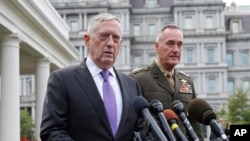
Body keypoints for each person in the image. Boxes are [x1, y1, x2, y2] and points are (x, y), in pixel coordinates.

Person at [40, 13, 142, 141]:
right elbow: (52, 131)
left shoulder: (132, 85)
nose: (110, 43)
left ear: (120, 44)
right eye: (104, 36)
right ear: (87, 40)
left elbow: (140, 131)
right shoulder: (62, 80)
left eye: (116, 38)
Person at [129, 24, 204, 141]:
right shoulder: (138, 79)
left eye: (179, 45)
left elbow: (194, 124)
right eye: (170, 44)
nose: (176, 49)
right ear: (157, 46)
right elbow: (131, 123)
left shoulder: (187, 81)